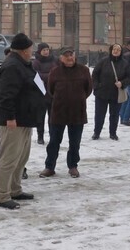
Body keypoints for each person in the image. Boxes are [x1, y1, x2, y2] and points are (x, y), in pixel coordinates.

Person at [0, 33, 44, 210]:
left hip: (25, 119)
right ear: (23, 50)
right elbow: (6, 96)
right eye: (30, 48)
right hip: (13, 121)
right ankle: (2, 195)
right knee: (9, 159)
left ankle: (15, 189)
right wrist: (10, 118)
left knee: (21, 158)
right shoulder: (12, 67)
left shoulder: (23, 64)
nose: (32, 51)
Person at [40, 46, 93, 178]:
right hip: (58, 112)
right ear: (61, 58)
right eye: (66, 55)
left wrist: (78, 98)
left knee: (75, 142)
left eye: (71, 55)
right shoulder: (55, 72)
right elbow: (50, 90)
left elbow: (88, 89)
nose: (70, 58)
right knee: (53, 142)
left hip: (77, 112)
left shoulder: (84, 70)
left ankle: (73, 166)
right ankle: (49, 167)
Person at [91, 43, 129, 141]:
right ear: (111, 50)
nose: (116, 51)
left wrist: (122, 83)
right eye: (114, 49)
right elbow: (95, 74)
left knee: (114, 114)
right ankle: (96, 132)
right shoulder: (103, 61)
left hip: (116, 93)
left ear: (121, 52)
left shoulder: (125, 63)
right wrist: (97, 86)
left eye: (118, 50)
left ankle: (113, 133)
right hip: (101, 93)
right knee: (99, 114)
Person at [32, 43, 58, 145]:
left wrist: (48, 76)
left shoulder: (54, 60)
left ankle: (53, 135)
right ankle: (40, 136)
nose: (46, 52)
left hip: (53, 93)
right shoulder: (36, 62)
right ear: (40, 51)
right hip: (41, 94)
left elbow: (58, 72)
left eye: (47, 49)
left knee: (52, 117)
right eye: (44, 50)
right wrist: (51, 75)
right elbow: (36, 75)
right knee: (40, 117)